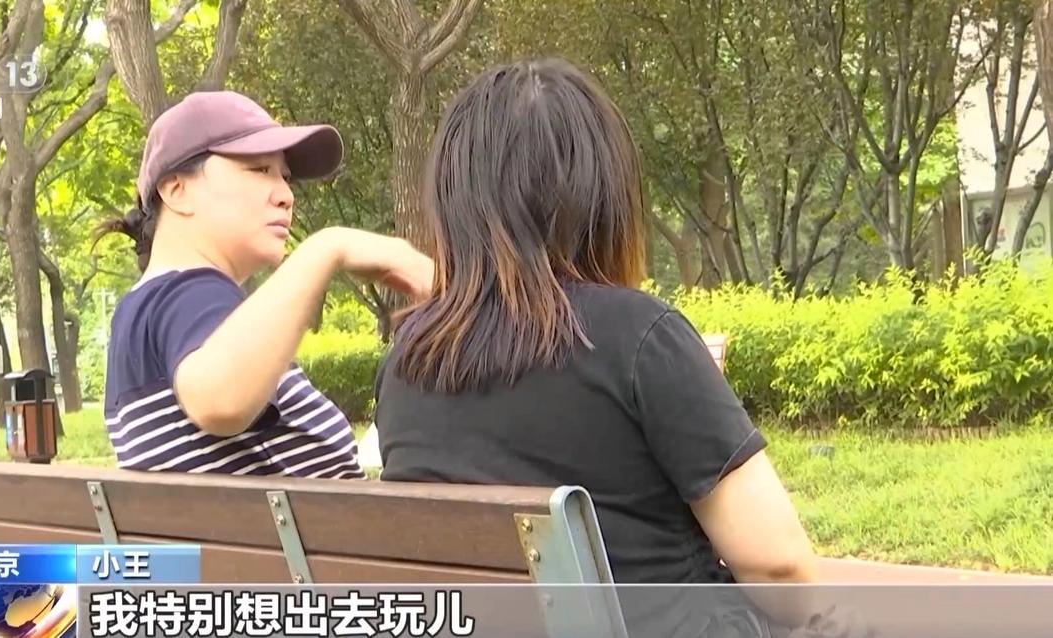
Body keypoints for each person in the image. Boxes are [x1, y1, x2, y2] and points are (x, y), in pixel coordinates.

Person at [373, 59, 822, 635]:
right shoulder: (638, 336)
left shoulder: (405, 362)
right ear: (603, 195)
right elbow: (783, 572)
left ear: (453, 201)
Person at [94, 90, 433, 478]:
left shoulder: (142, 311)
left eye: (285, 177)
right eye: (259, 170)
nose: (286, 195)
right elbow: (220, 400)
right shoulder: (191, 295)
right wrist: (327, 248)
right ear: (176, 191)